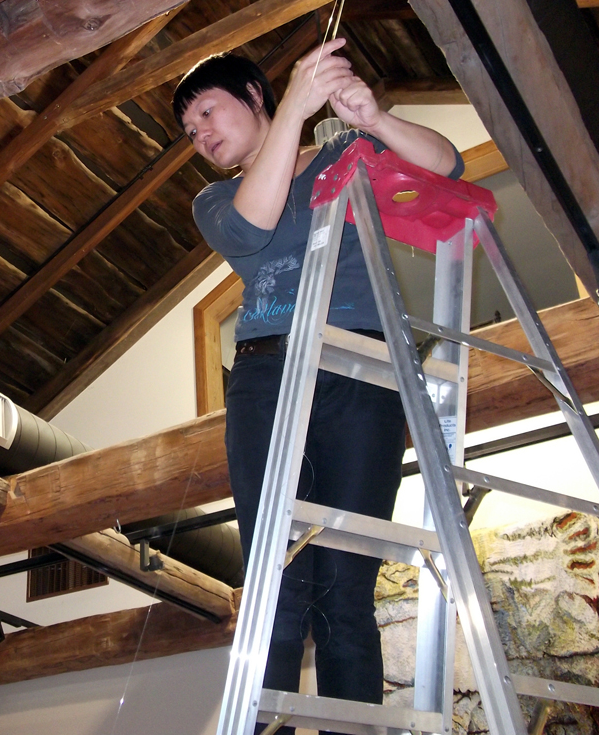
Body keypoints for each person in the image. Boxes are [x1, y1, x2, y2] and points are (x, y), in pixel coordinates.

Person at [172, 38, 464, 735]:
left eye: (207, 112)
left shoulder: (346, 153)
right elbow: (252, 228)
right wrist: (296, 112)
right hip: (267, 377)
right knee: (277, 579)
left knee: (346, 585)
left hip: (364, 372)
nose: (200, 135)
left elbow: (447, 166)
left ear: (253, 95)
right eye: (189, 130)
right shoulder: (216, 199)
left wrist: (375, 118)